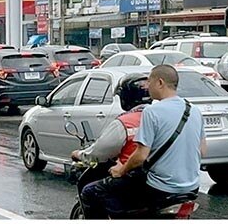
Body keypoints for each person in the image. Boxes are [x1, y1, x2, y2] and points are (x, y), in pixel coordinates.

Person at [80, 64, 205, 218]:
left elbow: (140, 156)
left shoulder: (152, 112)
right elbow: (202, 150)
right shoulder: (193, 110)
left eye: (149, 83)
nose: (147, 87)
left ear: (160, 83)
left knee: (91, 192)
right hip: (192, 188)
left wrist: (121, 170)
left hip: (159, 188)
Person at [72, 74, 151, 194]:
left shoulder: (125, 122)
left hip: (132, 176)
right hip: (160, 177)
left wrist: (81, 154)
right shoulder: (161, 116)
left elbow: (100, 151)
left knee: (89, 192)